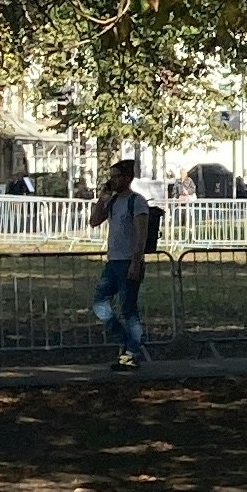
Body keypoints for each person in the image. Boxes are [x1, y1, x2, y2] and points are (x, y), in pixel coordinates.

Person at [91, 156, 158, 367]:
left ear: (127, 178)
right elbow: (94, 221)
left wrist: (136, 262)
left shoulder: (136, 202)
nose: (112, 181)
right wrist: (102, 199)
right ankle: (128, 342)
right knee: (100, 304)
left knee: (129, 309)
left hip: (129, 261)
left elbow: (141, 235)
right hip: (113, 262)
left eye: (116, 177)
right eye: (110, 177)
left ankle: (131, 354)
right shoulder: (112, 201)